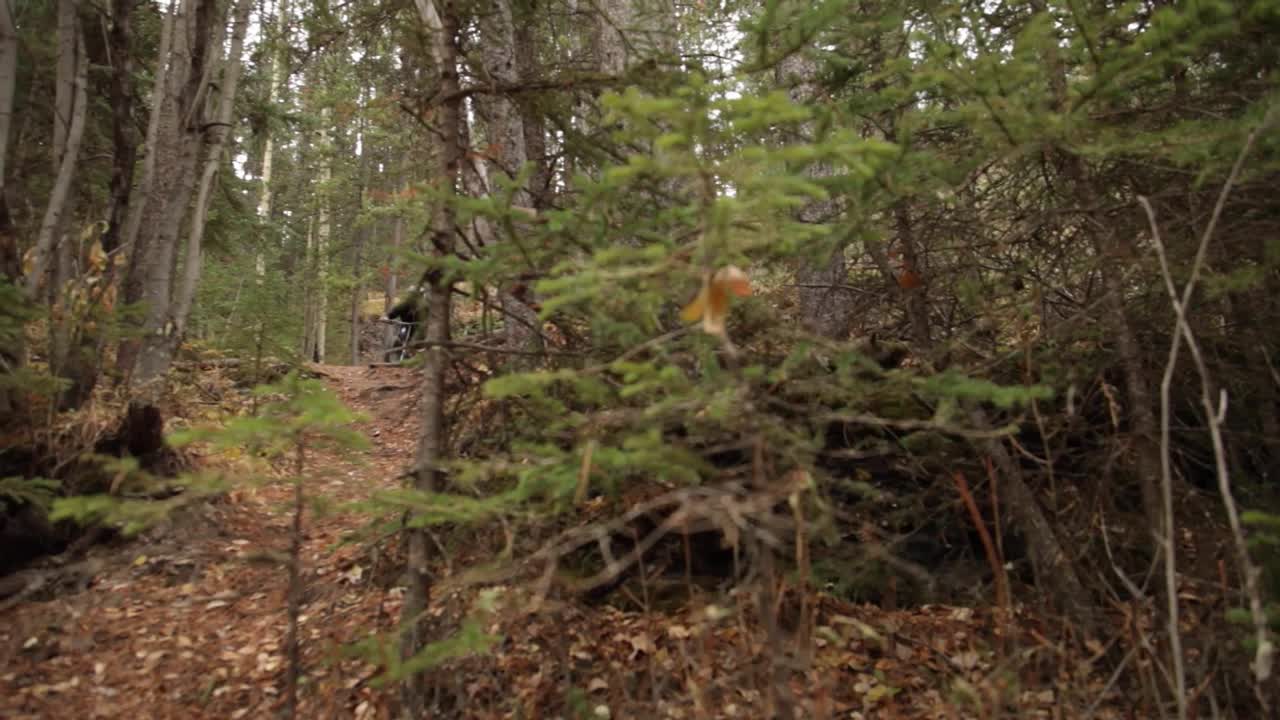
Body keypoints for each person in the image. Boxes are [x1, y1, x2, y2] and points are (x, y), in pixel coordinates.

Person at [384, 286, 423, 362]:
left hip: (419, 329)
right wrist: (387, 318)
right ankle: (398, 354)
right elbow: (393, 313)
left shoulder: (425, 306)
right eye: (411, 294)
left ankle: (419, 355)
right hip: (406, 327)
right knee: (400, 337)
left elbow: (433, 317)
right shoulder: (404, 305)